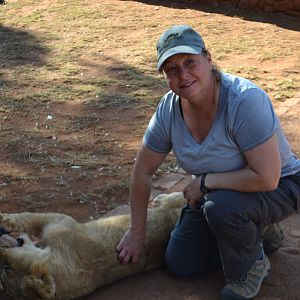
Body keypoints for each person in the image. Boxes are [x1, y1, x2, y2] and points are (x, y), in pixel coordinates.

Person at [116, 24, 300, 300]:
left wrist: (205, 182)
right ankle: (255, 231)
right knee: (181, 262)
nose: (183, 75)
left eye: (189, 62)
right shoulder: (168, 110)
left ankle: (250, 266)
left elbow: (267, 177)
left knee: (221, 209)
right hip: (220, 194)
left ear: (208, 58)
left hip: (280, 187)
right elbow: (142, 171)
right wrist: (136, 232)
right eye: (171, 69)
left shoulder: (243, 101)